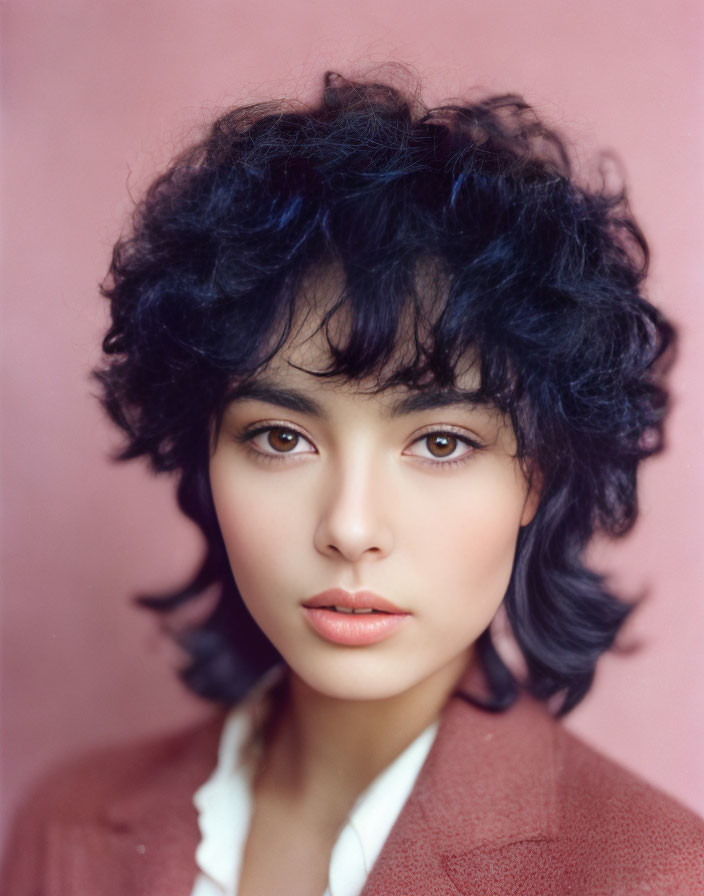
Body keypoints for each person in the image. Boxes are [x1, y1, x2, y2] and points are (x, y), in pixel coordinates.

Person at [3, 69, 703, 895]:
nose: (351, 525)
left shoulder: (654, 877)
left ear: (536, 478)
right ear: (205, 454)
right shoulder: (71, 825)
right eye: (281, 436)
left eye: (440, 442)